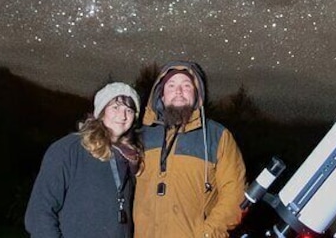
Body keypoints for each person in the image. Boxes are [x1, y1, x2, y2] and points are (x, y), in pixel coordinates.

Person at [133, 60, 246, 238]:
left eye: (186, 85)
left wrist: (208, 234)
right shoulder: (139, 136)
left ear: (197, 94)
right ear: (161, 95)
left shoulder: (218, 136)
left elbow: (235, 196)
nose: (178, 91)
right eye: (171, 85)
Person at [25, 82, 143, 238]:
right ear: (101, 111)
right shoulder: (69, 149)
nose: (122, 116)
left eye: (129, 110)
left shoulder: (130, 158)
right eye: (115, 107)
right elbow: (39, 212)